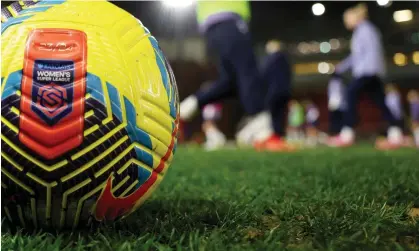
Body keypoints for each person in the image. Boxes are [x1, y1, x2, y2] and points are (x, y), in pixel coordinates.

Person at [180, 1, 270, 147]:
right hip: (229, 18)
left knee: (230, 81)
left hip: (212, 26)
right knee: (248, 70)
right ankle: (259, 122)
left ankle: (192, 103)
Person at [327, 3, 405, 150]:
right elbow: (356, 56)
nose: (346, 22)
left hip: (367, 72)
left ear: (354, 18)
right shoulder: (363, 30)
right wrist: (341, 67)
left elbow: (369, 54)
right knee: (381, 102)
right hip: (371, 72)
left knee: (350, 94)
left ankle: (347, 133)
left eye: (347, 19)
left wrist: (370, 71)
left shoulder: (365, 30)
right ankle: (396, 134)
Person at [253, 40, 294, 151]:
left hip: (274, 92)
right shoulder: (286, 59)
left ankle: (274, 140)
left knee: (274, 115)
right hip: (285, 92)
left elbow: (264, 75)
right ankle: (280, 139)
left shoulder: (271, 59)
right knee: (281, 116)